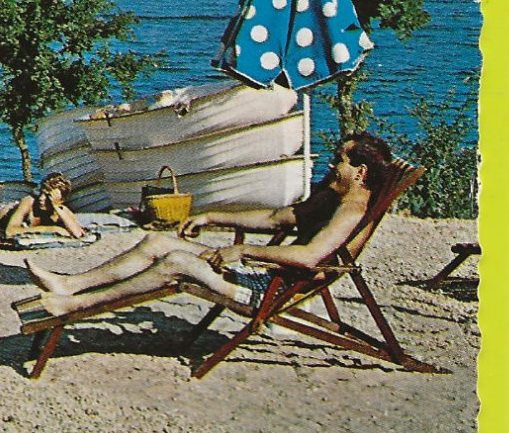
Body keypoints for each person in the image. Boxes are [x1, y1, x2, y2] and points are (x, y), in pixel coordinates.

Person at [19, 134, 391, 317]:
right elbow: (279, 219)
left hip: (273, 291)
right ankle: (69, 284)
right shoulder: (334, 196)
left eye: (338, 161)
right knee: (155, 242)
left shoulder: (351, 212)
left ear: (360, 172)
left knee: (177, 264)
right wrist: (212, 216)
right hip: (270, 275)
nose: (330, 167)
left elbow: (310, 257)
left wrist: (242, 250)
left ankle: (75, 305)